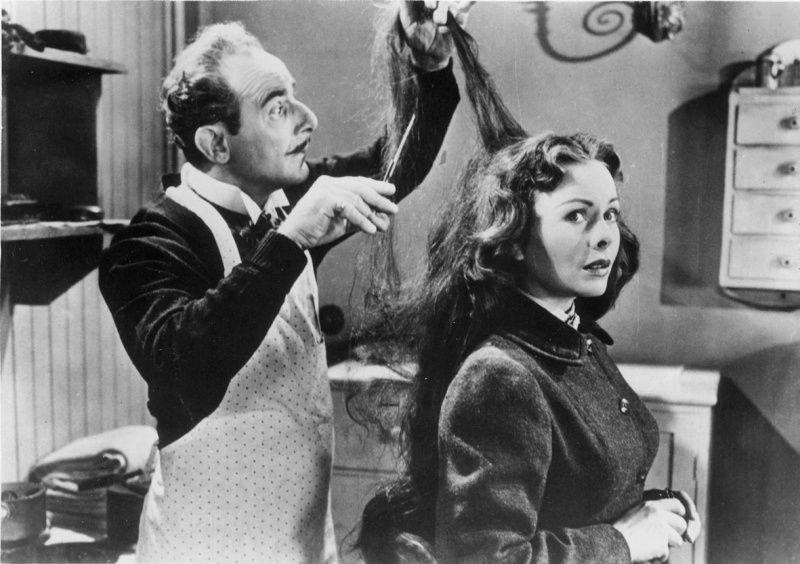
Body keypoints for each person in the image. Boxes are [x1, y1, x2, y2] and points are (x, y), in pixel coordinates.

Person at [98, 2, 472, 562]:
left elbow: (393, 168)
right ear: (216, 144)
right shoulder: (150, 241)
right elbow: (182, 359)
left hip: (302, 539)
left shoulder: (284, 203)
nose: (308, 118)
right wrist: (291, 239)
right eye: (277, 108)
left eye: (294, 96)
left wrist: (431, 68)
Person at [356, 133, 702, 564]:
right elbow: (487, 558)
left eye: (610, 214)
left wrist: (652, 515)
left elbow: (571, 494)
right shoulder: (499, 377)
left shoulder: (578, 339)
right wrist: (624, 540)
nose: (605, 237)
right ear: (514, 239)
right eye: (576, 215)